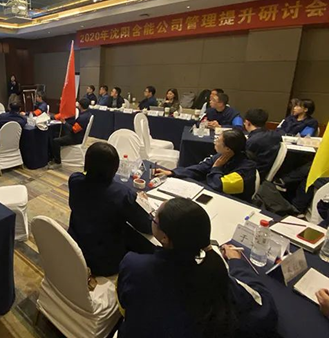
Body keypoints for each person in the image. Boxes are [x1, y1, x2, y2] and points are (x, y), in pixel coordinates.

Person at [117, 197, 278, 338]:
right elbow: (266, 310)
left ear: (165, 238)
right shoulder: (216, 280)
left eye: (154, 218)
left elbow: (124, 306)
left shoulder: (134, 265)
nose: (152, 218)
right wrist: (237, 263)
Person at [68, 142, 152, 276]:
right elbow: (147, 226)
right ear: (115, 168)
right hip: (104, 261)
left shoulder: (74, 180)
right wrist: (143, 203)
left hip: (75, 244)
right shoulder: (123, 194)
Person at [156, 129, 257, 201]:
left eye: (218, 140)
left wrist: (216, 168)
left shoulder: (246, 169)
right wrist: (173, 172)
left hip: (233, 202)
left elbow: (219, 186)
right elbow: (200, 168)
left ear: (227, 149)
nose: (215, 142)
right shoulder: (222, 156)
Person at [50, 98, 92, 165]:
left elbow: (74, 130)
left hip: (76, 138)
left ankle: (57, 161)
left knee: (55, 141)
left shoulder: (82, 118)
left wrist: (64, 122)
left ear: (80, 105)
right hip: (80, 134)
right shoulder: (88, 114)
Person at [244, 109, 282, 179]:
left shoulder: (252, 141)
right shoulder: (276, 135)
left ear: (247, 122)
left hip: (252, 175)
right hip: (264, 172)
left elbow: (244, 162)